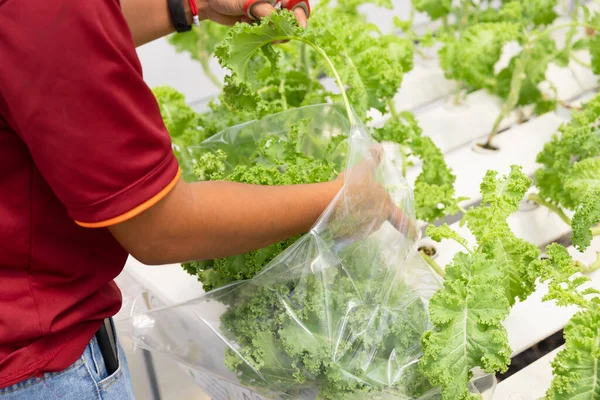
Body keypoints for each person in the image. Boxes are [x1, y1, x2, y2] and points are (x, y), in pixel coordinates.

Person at [0, 0, 404, 398]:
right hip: (35, 370)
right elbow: (160, 229)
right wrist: (339, 201)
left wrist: (189, 5)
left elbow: (43, 39)